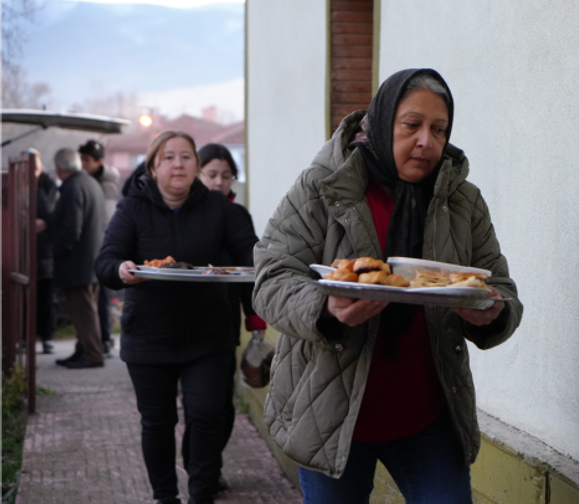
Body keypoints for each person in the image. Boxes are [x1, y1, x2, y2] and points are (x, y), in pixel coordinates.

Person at [253, 68, 524, 503]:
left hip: (427, 416)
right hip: (329, 414)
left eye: (439, 130)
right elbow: (271, 277)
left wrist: (492, 312)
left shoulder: (462, 201)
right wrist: (326, 309)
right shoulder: (322, 186)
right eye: (411, 125)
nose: (426, 141)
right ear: (381, 122)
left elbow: (502, 287)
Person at [95, 131, 258, 504]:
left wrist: (265, 265)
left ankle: (202, 494)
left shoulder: (219, 208)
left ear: (196, 166)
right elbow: (105, 261)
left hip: (208, 334)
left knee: (206, 416)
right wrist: (120, 268)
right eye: (168, 157)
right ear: (153, 168)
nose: (179, 164)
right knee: (157, 422)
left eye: (186, 157)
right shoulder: (131, 209)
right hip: (148, 336)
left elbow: (251, 253)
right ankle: (165, 497)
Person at [193, 142, 267, 492]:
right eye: (211, 175)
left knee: (219, 404)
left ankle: (208, 468)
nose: (219, 182)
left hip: (224, 323)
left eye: (226, 176)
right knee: (195, 406)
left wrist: (256, 323)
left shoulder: (239, 217)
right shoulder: (185, 214)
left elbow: (251, 274)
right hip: (187, 320)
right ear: (197, 175)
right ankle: (200, 470)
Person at [52, 148, 106, 369]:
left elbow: (71, 229)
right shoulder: (90, 182)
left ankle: (92, 354)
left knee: (83, 312)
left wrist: (56, 251)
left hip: (78, 263)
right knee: (87, 310)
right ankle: (82, 350)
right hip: (93, 259)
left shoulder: (72, 187)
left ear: (58, 168)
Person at [79, 139, 122, 355]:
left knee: (102, 294)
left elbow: (106, 218)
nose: (83, 164)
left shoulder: (106, 184)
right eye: (81, 159)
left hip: (102, 243)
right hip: (98, 242)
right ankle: (103, 337)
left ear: (99, 161)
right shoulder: (92, 180)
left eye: (87, 160)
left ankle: (104, 338)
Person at [31, 148, 58, 354]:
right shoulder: (18, 184)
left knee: (46, 296)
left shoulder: (49, 186)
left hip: (46, 249)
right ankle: (27, 337)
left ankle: (47, 336)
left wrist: (46, 223)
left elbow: (55, 213)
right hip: (25, 248)